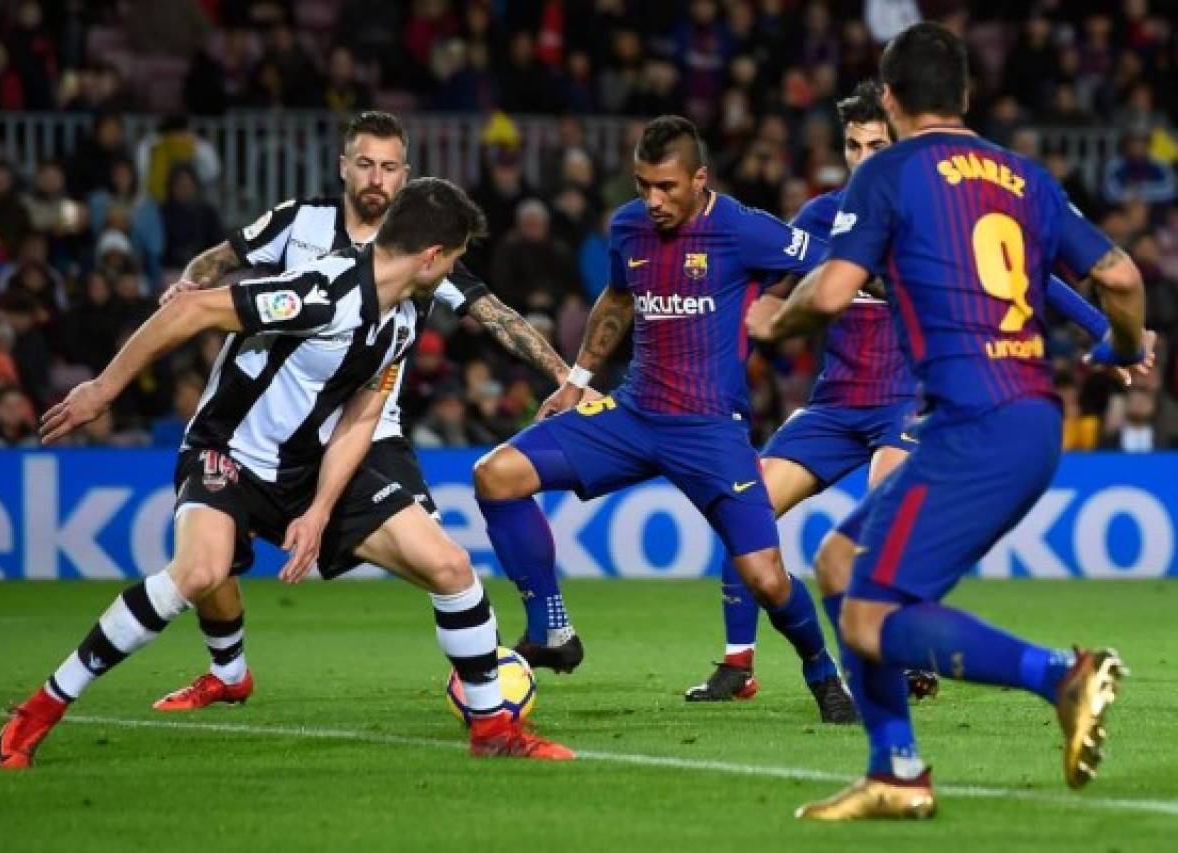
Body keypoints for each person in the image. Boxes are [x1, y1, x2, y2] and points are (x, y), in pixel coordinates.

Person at [0, 177, 573, 769]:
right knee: (197, 573)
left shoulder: (402, 316)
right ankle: (43, 706)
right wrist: (102, 389)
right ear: (431, 257)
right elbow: (192, 309)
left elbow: (364, 412)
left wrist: (319, 511)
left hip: (308, 463)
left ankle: (494, 733)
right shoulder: (320, 290)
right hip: (230, 453)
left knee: (450, 569)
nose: (455, 267)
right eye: (455, 256)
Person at [752, 23, 1146, 819]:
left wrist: (773, 324)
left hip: (976, 422)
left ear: (890, 101)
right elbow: (1122, 276)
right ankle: (895, 770)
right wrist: (1121, 346)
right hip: (1025, 416)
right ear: (966, 96)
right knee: (837, 562)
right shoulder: (1022, 174)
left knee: (869, 610)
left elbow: (827, 295)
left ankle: (1059, 674)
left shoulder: (888, 171)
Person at [686, 80, 1119, 706]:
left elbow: (1032, 269)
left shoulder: (932, 210)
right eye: (854, 145)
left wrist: (1102, 326)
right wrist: (757, 317)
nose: (864, 157)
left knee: (875, 541)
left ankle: (908, 661)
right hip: (834, 404)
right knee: (741, 508)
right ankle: (738, 664)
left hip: (906, 403)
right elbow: (773, 296)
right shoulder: (819, 217)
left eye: (876, 143)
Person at [153, 111, 571, 712]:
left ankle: (483, 685)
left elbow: (494, 314)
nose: (377, 178)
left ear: (406, 176)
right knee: (210, 552)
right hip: (277, 423)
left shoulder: (421, 256)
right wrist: (187, 287)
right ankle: (228, 671)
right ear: (344, 167)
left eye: (390, 167)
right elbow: (219, 260)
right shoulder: (300, 222)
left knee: (437, 559)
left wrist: (562, 373)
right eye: (366, 164)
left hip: (368, 426)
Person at [472, 115, 856, 724]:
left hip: (710, 430)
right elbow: (619, 298)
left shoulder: (745, 230)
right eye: (642, 184)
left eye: (667, 187)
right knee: (496, 474)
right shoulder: (628, 227)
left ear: (700, 180)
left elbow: (837, 264)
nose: (652, 200)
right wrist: (575, 381)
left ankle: (823, 675)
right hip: (632, 413)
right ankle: (550, 630)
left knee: (764, 576)